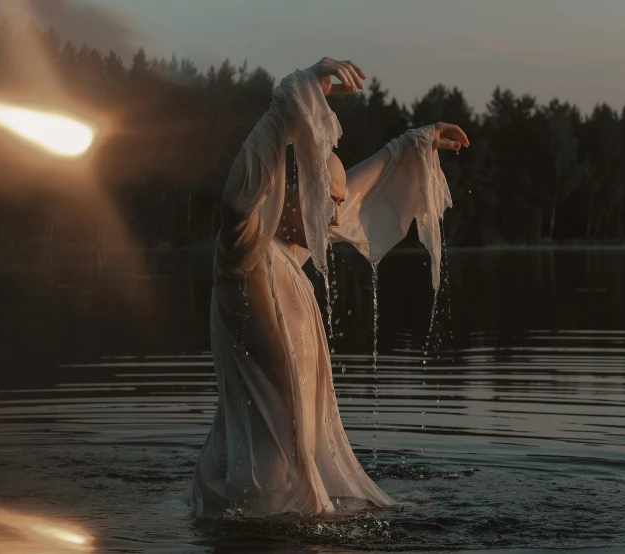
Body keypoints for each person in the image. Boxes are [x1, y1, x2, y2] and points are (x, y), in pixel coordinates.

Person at [183, 57, 469, 516]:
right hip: (255, 506)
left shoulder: (288, 260)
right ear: (289, 190)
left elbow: (352, 195)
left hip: (288, 505)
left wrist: (409, 145)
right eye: (326, 199)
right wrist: (287, 106)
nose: (337, 214)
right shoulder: (244, 262)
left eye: (336, 202)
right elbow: (237, 201)